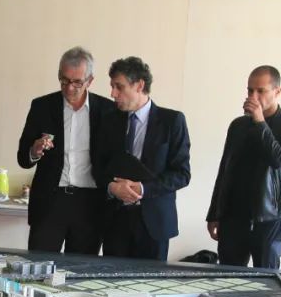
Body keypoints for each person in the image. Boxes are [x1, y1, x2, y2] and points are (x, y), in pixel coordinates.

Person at [206, 65, 281, 269]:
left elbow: (278, 159)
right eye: (250, 90)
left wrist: (260, 121)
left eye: (261, 91)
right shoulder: (238, 125)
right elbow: (225, 170)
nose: (253, 96)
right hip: (233, 216)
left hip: (268, 216)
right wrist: (214, 213)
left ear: (277, 91)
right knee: (228, 277)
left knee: (266, 278)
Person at [17, 46, 114, 255]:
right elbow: (23, 157)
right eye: (64, 80)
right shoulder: (42, 106)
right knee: (40, 265)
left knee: (80, 269)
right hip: (50, 201)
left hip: (90, 204)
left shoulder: (108, 110)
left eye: (77, 82)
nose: (69, 88)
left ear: (90, 81)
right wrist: (34, 150)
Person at [95, 56, 191, 260]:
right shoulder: (109, 121)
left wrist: (142, 189)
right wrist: (112, 188)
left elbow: (181, 174)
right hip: (115, 222)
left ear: (139, 85)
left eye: (119, 87)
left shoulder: (172, 121)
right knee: (112, 279)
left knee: (149, 279)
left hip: (154, 223)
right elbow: (98, 167)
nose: (113, 94)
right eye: (112, 86)